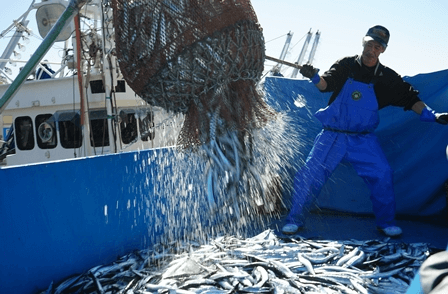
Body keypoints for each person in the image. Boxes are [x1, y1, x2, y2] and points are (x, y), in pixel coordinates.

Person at [282, 25, 448, 237]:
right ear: (364, 42)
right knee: (309, 174)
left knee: (382, 174)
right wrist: (313, 76)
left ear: (383, 50)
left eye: (378, 46)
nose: (372, 48)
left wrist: (433, 116)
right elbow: (326, 85)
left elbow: (410, 98)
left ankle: (386, 223)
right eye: (370, 43)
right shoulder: (346, 64)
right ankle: (294, 219)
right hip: (332, 135)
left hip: (362, 140)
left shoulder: (387, 77)